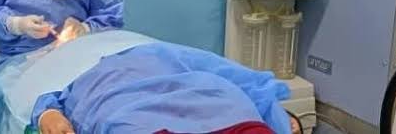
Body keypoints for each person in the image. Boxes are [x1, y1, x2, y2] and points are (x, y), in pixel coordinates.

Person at [33, 40, 302, 134]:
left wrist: (279, 117)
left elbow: (235, 76)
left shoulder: (156, 50)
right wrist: (48, 114)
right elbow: (249, 83)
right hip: (222, 108)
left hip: (217, 107)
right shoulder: (76, 70)